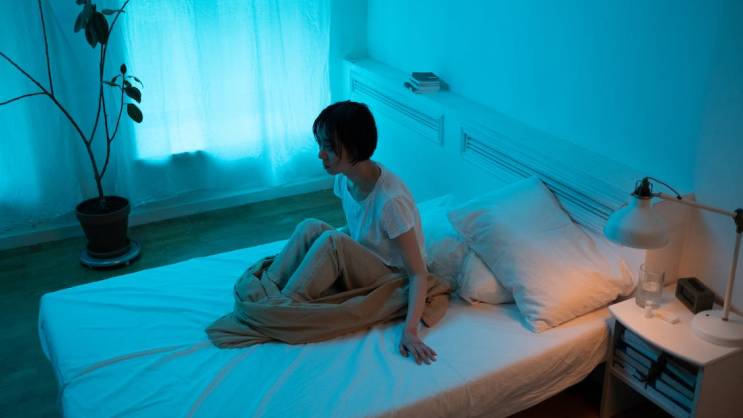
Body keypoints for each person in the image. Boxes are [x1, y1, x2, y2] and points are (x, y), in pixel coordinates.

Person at [262, 100, 437, 365]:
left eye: (329, 147)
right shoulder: (344, 179)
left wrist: (411, 331)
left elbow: (418, 273)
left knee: (332, 241)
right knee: (311, 226)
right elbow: (357, 229)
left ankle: (285, 308)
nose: (321, 154)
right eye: (321, 145)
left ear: (354, 147)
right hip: (367, 262)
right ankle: (270, 286)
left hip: (391, 278)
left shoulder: (390, 201)